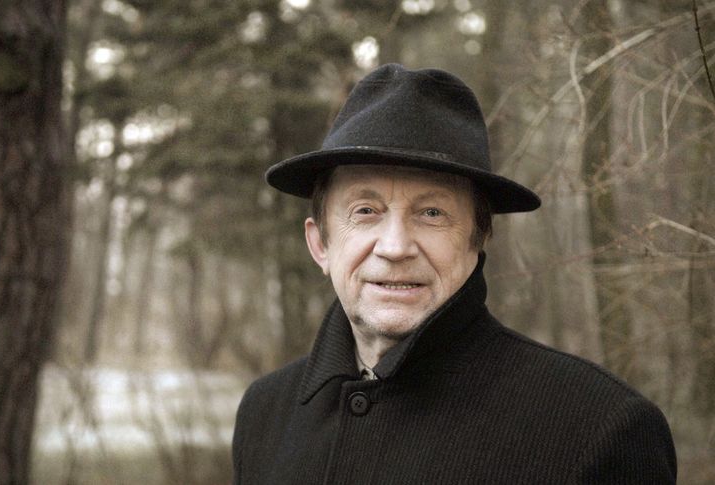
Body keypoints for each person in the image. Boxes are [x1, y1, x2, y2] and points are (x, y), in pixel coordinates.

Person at [232, 63, 676, 484]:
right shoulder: (264, 414)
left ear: (478, 239)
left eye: (431, 212)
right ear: (320, 245)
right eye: (365, 211)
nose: (395, 247)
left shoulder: (600, 429)